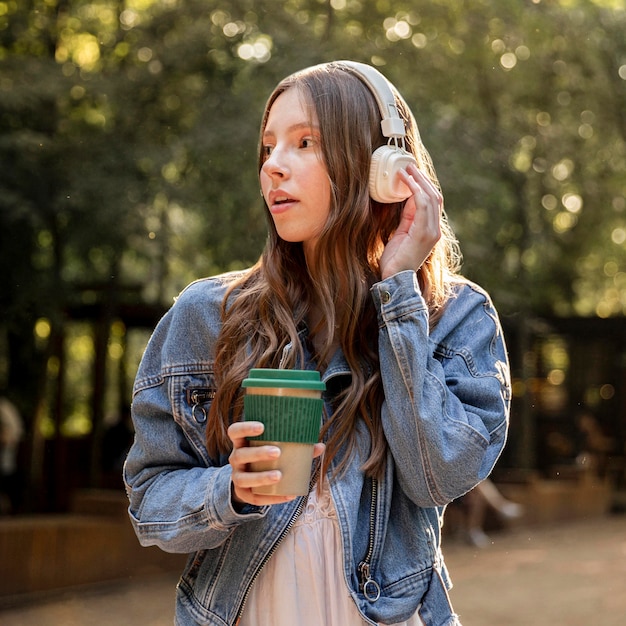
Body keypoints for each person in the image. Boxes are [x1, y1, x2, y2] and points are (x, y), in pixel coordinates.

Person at [124, 60, 511, 626]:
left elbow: (439, 476)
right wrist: (230, 489)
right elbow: (148, 500)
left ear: (384, 169)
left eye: (305, 142)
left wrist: (398, 299)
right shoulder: (207, 315)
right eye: (268, 147)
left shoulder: (454, 316)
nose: (274, 166)